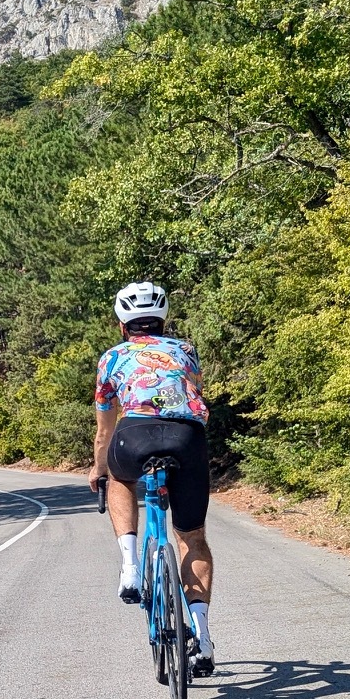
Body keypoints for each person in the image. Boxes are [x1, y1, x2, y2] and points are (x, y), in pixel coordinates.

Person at [88, 280, 215, 674]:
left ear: (122, 324)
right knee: (192, 538)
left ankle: (129, 567)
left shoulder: (111, 358)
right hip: (186, 438)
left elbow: (104, 431)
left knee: (121, 480)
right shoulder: (185, 351)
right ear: (163, 320)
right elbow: (193, 391)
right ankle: (204, 635)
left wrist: (99, 468)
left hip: (135, 435)